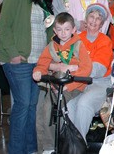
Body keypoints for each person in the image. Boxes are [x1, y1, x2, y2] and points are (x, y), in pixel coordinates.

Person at [0, 0, 56, 154]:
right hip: (19, 61)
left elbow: (46, 32)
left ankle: (30, 149)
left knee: (31, 106)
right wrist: (13, 53)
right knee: (23, 105)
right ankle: (16, 150)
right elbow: (4, 26)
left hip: (36, 62)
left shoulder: (43, 2)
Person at [32, 12, 92, 150]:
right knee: (43, 112)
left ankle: (58, 146)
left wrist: (69, 86)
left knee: (54, 110)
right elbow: (43, 62)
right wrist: (38, 72)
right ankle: (48, 147)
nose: (63, 33)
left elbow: (86, 68)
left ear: (73, 30)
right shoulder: (52, 46)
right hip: (55, 86)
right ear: (54, 31)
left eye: (66, 29)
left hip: (73, 86)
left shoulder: (78, 46)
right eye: (59, 29)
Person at [70, 4, 114, 140]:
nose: (94, 21)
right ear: (86, 19)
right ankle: (69, 143)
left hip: (99, 83)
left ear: (102, 24)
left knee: (84, 103)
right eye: (92, 16)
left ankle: (78, 145)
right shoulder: (77, 38)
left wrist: (76, 68)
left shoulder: (105, 41)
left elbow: (98, 69)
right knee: (69, 105)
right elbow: (69, 62)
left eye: (98, 18)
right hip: (78, 82)